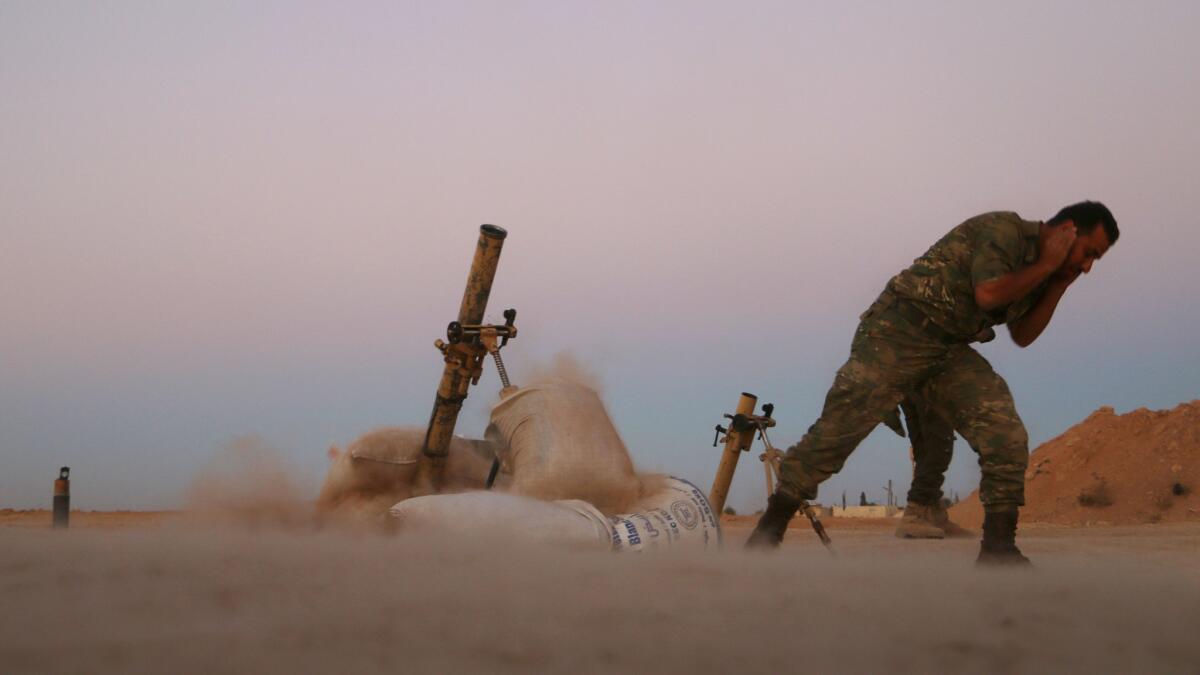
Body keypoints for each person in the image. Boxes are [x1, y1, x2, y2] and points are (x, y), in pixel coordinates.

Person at [746, 202, 1119, 564]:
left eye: (1094, 260)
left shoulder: (1043, 272)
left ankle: (999, 550)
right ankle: (767, 534)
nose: (1087, 266)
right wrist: (1047, 265)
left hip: (946, 349)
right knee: (836, 436)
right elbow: (988, 293)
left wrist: (1058, 283)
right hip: (899, 333)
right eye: (1088, 253)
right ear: (1067, 231)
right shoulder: (1005, 231)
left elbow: (1022, 335)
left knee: (1004, 432)